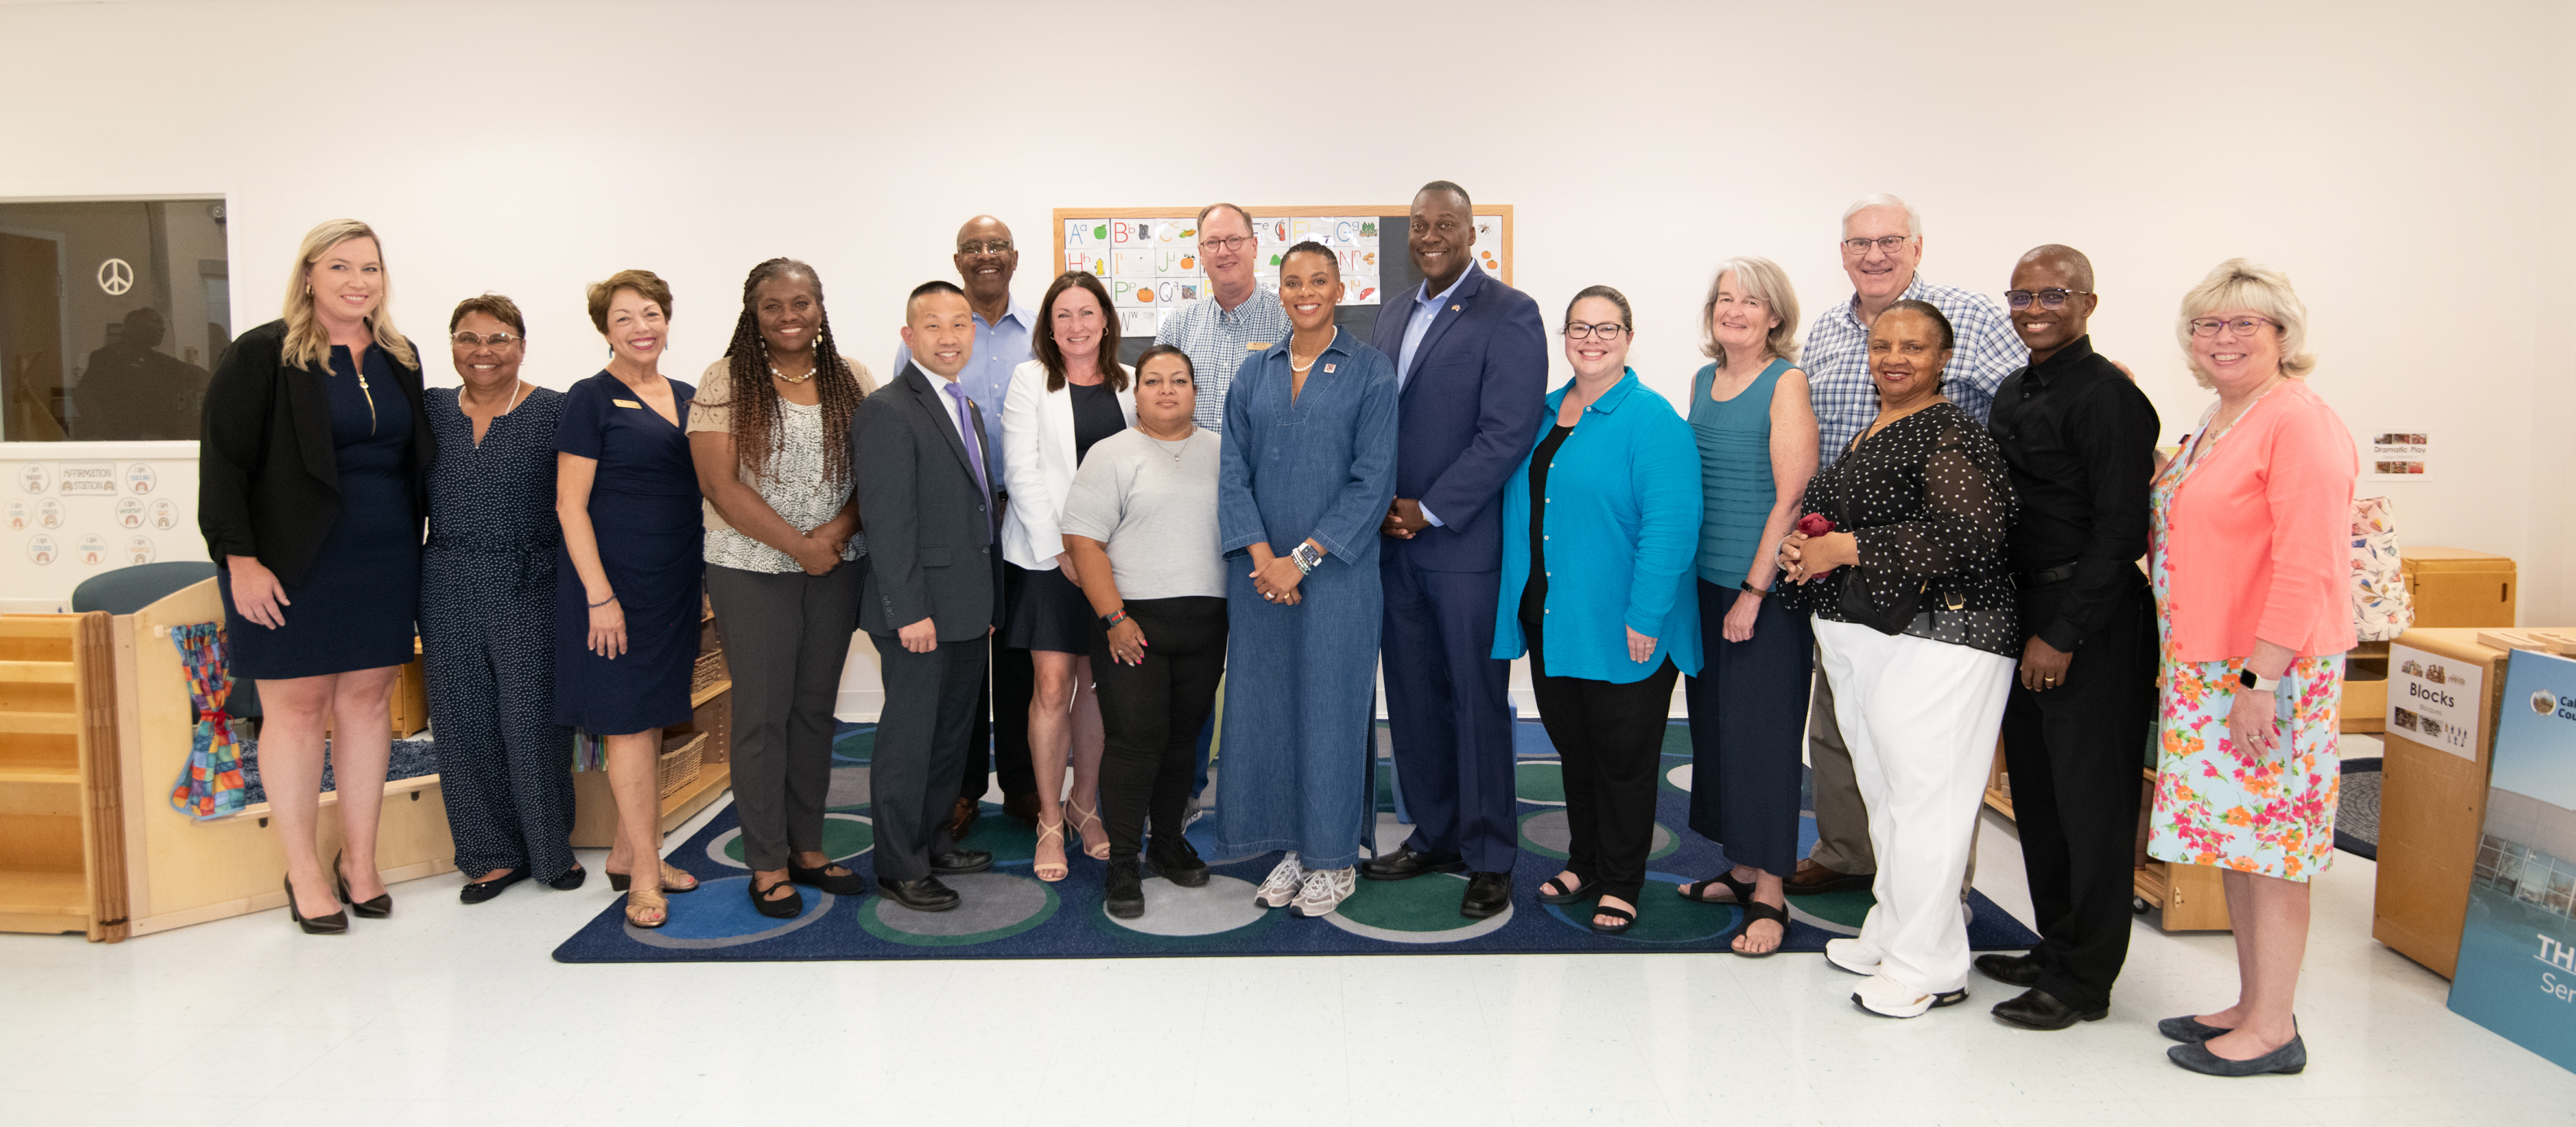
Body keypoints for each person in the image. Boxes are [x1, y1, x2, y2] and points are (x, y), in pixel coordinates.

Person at [1777, 299, 2018, 1018]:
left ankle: (1930, 966)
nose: (1895, 357)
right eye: (1883, 344)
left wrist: (1842, 549)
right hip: (1874, 637)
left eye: (1914, 346)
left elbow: (1971, 536)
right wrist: (1806, 548)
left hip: (1943, 640)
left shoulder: (1952, 435)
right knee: (1888, 798)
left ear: (1945, 358)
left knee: (1926, 805)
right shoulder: (1875, 428)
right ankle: (1894, 931)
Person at [200, 218, 436, 934]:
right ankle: (304, 870)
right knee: (296, 711)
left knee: (367, 707)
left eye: (370, 268)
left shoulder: (399, 354)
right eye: (341, 267)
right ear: (309, 275)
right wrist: (239, 560)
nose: (358, 281)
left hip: (384, 553)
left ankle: (359, 863)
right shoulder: (263, 355)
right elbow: (224, 463)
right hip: (286, 561)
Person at [2147, 260, 2354, 1077]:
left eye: (2244, 325)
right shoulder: (2224, 416)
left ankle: (2273, 1029)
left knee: (2272, 846)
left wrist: (2260, 682)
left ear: (2282, 336)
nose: (2224, 339)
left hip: (2269, 671)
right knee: (2238, 840)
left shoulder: (2297, 420)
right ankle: (2250, 1001)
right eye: (2209, 325)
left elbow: (2306, 564)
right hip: (2211, 664)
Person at [1789, 193, 2027, 899]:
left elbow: (2031, 396)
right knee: (1839, 726)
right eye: (1860, 243)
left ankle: (1934, 895)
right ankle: (1849, 853)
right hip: (1842, 574)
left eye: (1890, 240)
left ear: (1917, 247)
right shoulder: (1829, 330)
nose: (1875, 254)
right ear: (1842, 255)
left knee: (1923, 757)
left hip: (1930, 582)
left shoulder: (1972, 318)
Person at [1975, 246, 2162, 1030]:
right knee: (2041, 801)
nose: (2035, 307)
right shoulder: (2016, 390)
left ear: (2088, 301)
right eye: (2022, 295)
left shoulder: (2110, 397)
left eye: (2053, 293)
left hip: (2091, 624)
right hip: (2025, 617)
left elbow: (2122, 530)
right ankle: (2055, 947)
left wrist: (2063, 634)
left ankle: (2086, 981)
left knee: (2094, 807)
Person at [1360, 180, 1548, 920]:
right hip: (1391, 547)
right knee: (1409, 698)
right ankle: (1435, 833)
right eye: (1420, 224)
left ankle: (1491, 853)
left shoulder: (1511, 312)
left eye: (1446, 223)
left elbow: (1506, 432)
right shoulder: (1394, 310)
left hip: (1461, 545)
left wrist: (1429, 510)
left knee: (1475, 701)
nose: (1430, 235)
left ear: (1473, 234)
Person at [1493, 286, 1699, 936]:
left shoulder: (1650, 417)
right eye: (1580, 328)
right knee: (1575, 753)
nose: (1592, 339)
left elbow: (1672, 523)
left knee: (1625, 757)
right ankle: (1585, 860)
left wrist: (1646, 614)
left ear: (1629, 337)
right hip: (1553, 618)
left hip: (1623, 622)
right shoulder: (1545, 413)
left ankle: (1623, 879)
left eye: (1606, 328)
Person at [1214, 241, 1399, 919]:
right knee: (1267, 709)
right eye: (1293, 282)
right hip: (1259, 578)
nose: (1305, 292)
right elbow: (1232, 470)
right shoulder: (1253, 373)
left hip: (1337, 577)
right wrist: (1265, 558)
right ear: (1279, 289)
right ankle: (1294, 844)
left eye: (1318, 279)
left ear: (1338, 285)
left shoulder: (1370, 373)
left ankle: (1334, 858)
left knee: (1331, 708)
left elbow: (1372, 482)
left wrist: (1303, 559)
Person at [688, 258, 875, 919]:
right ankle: (766, 863)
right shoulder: (725, 378)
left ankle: (809, 847)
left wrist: (833, 535)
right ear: (753, 311)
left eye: (802, 302)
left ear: (821, 305)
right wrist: (800, 544)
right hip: (749, 568)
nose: (789, 315)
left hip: (836, 566)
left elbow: (871, 471)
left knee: (813, 712)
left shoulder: (852, 376)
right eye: (773, 305)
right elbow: (719, 484)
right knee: (762, 716)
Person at [1673, 258, 1818, 955]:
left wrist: (1755, 593)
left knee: (1763, 738)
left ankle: (1771, 894)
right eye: (1725, 299)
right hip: (1703, 585)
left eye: (1750, 302)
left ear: (1775, 317)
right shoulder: (1704, 380)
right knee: (1719, 732)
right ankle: (1738, 867)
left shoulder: (1785, 383)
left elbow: (1792, 496)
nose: (1735, 310)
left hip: (1759, 592)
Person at [553, 269, 706, 930]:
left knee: (651, 720)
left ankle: (629, 850)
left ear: (667, 319)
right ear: (604, 330)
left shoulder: (689, 395)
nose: (642, 327)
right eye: (624, 318)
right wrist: (599, 597)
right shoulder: (589, 399)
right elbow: (569, 505)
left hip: (673, 583)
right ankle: (645, 876)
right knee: (626, 724)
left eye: (651, 313)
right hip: (612, 589)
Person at [421, 293, 580, 904]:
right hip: (446, 579)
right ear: (452, 344)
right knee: (461, 722)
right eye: (468, 338)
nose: (483, 351)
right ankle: (488, 854)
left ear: (521, 343)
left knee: (533, 719)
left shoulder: (555, 411)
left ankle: (549, 849)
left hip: (531, 579)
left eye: (498, 338)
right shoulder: (431, 409)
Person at [853, 280, 1005, 913]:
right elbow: (887, 523)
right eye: (934, 326)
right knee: (910, 741)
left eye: (960, 325)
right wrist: (909, 609)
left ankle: (935, 839)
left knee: (951, 737)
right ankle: (898, 863)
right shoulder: (888, 408)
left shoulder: (963, 407)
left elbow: (976, 510)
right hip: (919, 611)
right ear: (909, 336)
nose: (949, 337)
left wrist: (990, 600)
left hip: (968, 605)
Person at [1061, 344, 1223, 917]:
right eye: (1154, 380)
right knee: (1135, 742)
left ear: (1195, 391)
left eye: (1179, 380)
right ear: (1137, 392)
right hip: (1132, 625)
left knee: (1183, 741)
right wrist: (1114, 618)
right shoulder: (1111, 454)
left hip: (1205, 627)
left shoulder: (1222, 452)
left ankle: (1167, 843)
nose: (1167, 390)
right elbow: (1083, 543)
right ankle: (1124, 858)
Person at [894, 215, 1039, 841]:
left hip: (1025, 515)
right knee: (959, 665)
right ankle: (959, 790)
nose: (987, 256)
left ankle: (1025, 784)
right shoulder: (928, 337)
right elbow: (908, 428)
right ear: (958, 260)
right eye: (974, 248)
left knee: (1019, 656)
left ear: (1014, 257)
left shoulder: (1039, 333)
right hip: (954, 526)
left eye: (997, 246)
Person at [1001, 271, 1136, 880]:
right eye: (1064, 316)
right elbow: (1021, 471)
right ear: (1048, 327)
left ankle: (1087, 807)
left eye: (1087, 313)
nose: (1076, 326)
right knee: (1053, 686)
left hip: (1114, 559)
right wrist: (1061, 548)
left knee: (1099, 685)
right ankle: (1050, 819)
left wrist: (1103, 556)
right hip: (1047, 557)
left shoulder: (1131, 384)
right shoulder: (1032, 381)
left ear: (1106, 319)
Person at [1156, 203, 1292, 434]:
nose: (1223, 251)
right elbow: (1155, 409)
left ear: (1254, 246)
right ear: (1200, 253)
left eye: (1234, 240)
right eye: (1212, 242)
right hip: (1188, 468)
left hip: (1262, 468)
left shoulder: (1288, 322)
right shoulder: (1177, 327)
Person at [76, 306, 209, 439]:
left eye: (162, 323)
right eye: (156, 322)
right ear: (135, 326)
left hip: (161, 439)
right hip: (127, 440)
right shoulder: (107, 357)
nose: (163, 328)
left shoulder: (157, 359)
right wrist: (111, 435)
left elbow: (195, 374)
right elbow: (84, 399)